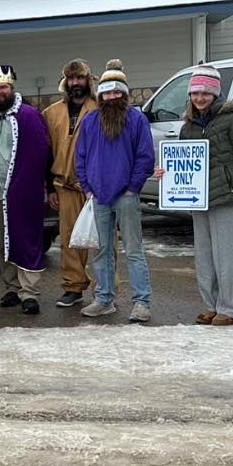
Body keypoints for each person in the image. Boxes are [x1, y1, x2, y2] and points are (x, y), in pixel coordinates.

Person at [155, 66, 233, 326]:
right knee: (204, 255)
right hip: (197, 199)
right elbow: (182, 161)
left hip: (227, 197)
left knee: (226, 255)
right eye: (195, 93)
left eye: (205, 93)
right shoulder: (187, 127)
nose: (200, 98)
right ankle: (211, 305)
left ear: (215, 94)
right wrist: (165, 172)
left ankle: (230, 309)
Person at [76, 60, 155, 322]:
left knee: (133, 250)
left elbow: (145, 157)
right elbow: (81, 157)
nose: (112, 97)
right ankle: (104, 299)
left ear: (124, 93)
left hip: (126, 196)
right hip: (97, 196)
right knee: (101, 251)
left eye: (117, 92)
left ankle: (141, 302)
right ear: (100, 95)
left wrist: (133, 187)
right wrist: (87, 187)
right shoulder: (90, 121)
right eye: (107, 92)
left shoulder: (137, 119)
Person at [0, 65, 50, 315]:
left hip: (22, 192)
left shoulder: (28, 116)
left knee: (26, 239)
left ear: (12, 88)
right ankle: (11, 286)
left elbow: (41, 153)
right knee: (1, 242)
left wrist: (34, 184)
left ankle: (29, 292)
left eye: (3, 87)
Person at [42, 59, 98, 308]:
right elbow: (45, 153)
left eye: (80, 78)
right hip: (64, 185)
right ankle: (73, 287)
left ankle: (104, 289)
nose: (76, 83)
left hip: (97, 188)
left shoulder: (100, 108)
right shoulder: (51, 113)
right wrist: (49, 186)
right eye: (72, 78)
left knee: (102, 240)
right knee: (69, 238)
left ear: (89, 80)